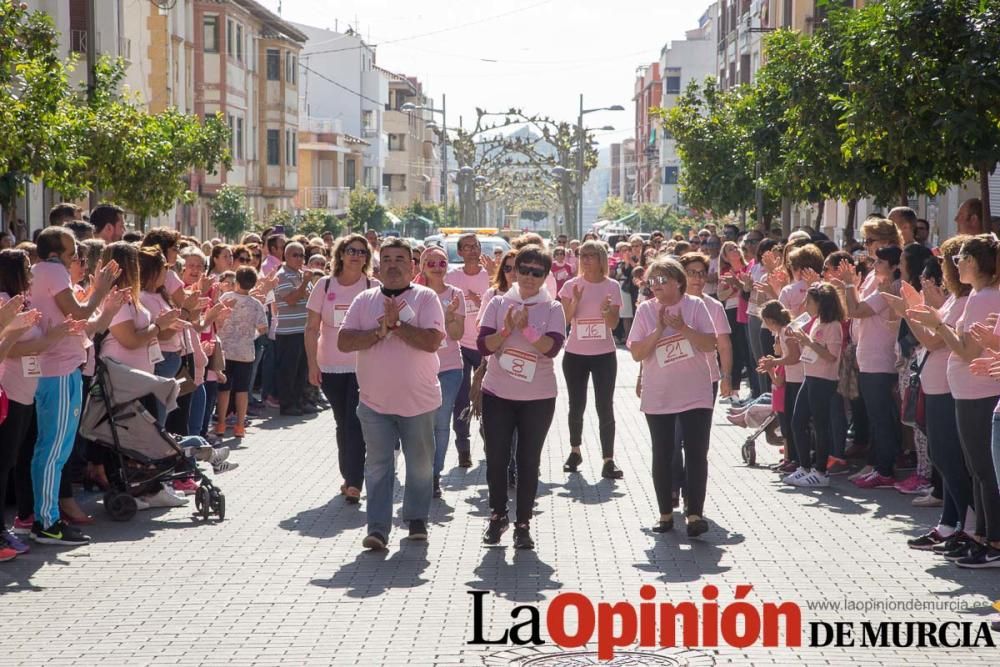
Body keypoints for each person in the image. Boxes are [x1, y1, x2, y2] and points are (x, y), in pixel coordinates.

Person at [339, 238, 445, 550]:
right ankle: (378, 529)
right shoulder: (364, 300)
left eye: (400, 259)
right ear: (378, 265)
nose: (393, 265)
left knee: (420, 465)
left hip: (419, 401)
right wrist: (378, 332)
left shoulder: (426, 298)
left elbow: (431, 342)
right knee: (378, 466)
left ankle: (415, 519)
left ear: (413, 267)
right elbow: (344, 342)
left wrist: (397, 326)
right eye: (387, 259)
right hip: (374, 402)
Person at [909, 234, 1000, 567]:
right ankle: (980, 536)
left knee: (984, 471)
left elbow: (966, 350)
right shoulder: (978, 295)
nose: (955, 263)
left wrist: (939, 325)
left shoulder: (983, 297)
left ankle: (992, 540)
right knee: (977, 469)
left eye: (960, 257)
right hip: (969, 392)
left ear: (974, 262)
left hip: (980, 391)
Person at [28, 227, 119, 545]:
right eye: (71, 252)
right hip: (59, 369)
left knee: (46, 448)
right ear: (55, 253)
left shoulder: (40, 271)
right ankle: (48, 522)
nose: (74, 257)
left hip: (51, 369)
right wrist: (100, 290)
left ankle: (42, 516)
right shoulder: (53, 271)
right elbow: (78, 313)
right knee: (54, 450)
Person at [478, 245, 566, 549]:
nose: (528, 277)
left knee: (528, 461)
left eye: (536, 272)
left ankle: (523, 523)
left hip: (538, 396)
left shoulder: (553, 308)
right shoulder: (498, 302)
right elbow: (483, 346)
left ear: (544, 276)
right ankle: (498, 515)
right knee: (497, 459)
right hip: (498, 393)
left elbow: (552, 349)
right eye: (523, 270)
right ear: (514, 271)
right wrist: (505, 331)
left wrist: (526, 330)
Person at [627, 258, 717, 537]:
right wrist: (657, 329)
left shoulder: (695, 305)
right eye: (651, 281)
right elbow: (637, 353)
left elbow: (709, 343)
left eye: (662, 280)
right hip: (660, 394)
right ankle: (665, 513)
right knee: (663, 454)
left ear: (678, 281)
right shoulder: (645, 310)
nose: (656, 286)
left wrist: (682, 328)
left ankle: (694, 515)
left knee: (696, 453)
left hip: (695, 392)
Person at [305, 234, 375, 504]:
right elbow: (311, 329)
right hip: (331, 366)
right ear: (341, 255)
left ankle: (355, 481)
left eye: (361, 252)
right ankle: (349, 475)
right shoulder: (324, 285)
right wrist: (312, 364)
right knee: (342, 422)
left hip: (364, 367)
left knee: (355, 422)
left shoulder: (372, 285)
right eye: (351, 251)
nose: (356, 256)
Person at [833, 218, 903, 489]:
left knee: (881, 416)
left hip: (880, 355)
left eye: (870, 241)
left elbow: (858, 310)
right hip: (866, 352)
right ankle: (875, 464)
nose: (866, 247)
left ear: (885, 241)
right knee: (874, 417)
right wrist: (845, 285)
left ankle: (884, 469)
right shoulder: (876, 273)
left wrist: (850, 285)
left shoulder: (890, 279)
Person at [559, 240, 623, 479]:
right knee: (576, 404)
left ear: (601, 259)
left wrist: (606, 311)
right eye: (582, 255)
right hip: (575, 353)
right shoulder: (570, 285)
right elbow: (564, 320)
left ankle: (608, 459)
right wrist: (575, 301)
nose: (585, 260)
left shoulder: (612, 286)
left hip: (604, 355)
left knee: (604, 405)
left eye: (591, 255)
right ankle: (575, 450)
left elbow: (614, 324)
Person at [782, 284, 845, 487]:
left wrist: (807, 342)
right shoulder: (818, 321)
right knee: (797, 421)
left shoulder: (833, 325)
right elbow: (812, 350)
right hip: (810, 376)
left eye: (809, 301)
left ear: (821, 303)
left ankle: (821, 471)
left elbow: (831, 356)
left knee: (820, 425)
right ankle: (804, 466)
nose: (804, 305)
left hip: (824, 379)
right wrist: (801, 340)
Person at [419, 246, 466, 497]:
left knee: (441, 423)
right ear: (422, 266)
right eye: (432, 263)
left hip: (449, 368)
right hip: (418, 368)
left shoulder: (456, 294)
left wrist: (448, 317)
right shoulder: (414, 295)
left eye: (442, 263)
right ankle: (420, 471)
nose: (437, 267)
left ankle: (434, 475)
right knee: (419, 423)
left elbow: (457, 335)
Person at [446, 233, 491, 467]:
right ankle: (463, 446)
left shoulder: (490, 276)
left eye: (476, 246)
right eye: (467, 247)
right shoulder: (452, 277)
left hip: (485, 345)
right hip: (460, 344)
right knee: (461, 397)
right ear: (460, 252)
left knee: (486, 396)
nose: (473, 250)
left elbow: (500, 300)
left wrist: (481, 298)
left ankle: (489, 438)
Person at [215, 266, 267, 440]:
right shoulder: (256, 304)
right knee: (242, 390)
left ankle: (221, 423)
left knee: (224, 389)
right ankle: (239, 425)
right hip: (245, 352)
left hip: (225, 350)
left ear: (236, 281)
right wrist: (251, 335)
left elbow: (216, 318)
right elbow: (263, 327)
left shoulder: (226, 298)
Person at [274, 242, 313, 416]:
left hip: (303, 330)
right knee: (288, 370)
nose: (299, 259)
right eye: (295, 255)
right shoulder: (282, 275)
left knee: (301, 370)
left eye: (302, 255)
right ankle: (287, 404)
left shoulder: (300, 274)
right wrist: (305, 283)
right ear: (286, 256)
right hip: (288, 331)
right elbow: (291, 299)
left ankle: (299, 401)